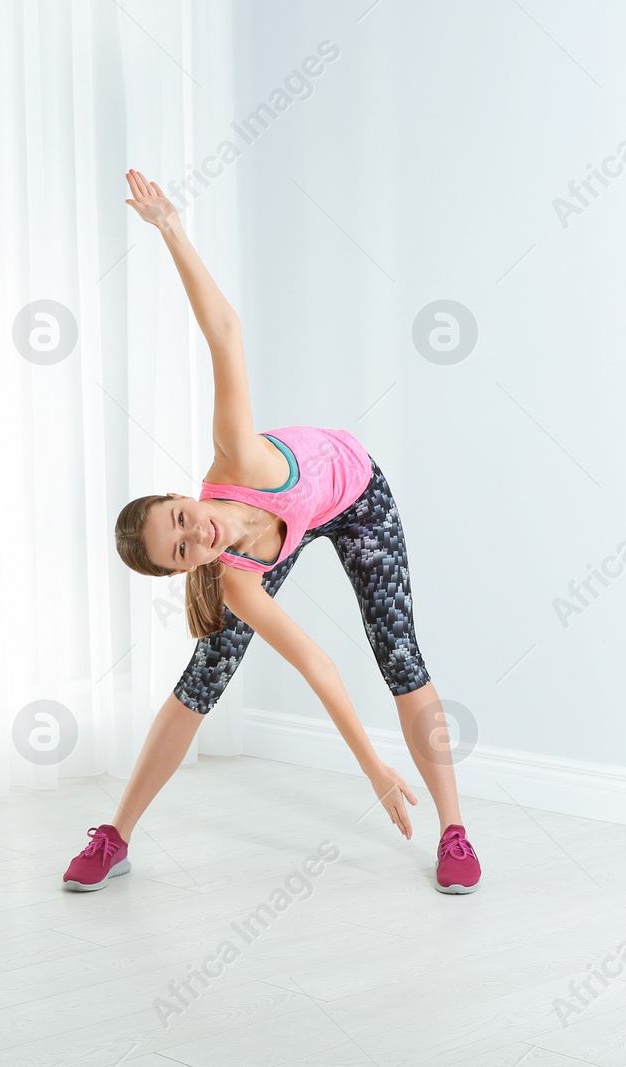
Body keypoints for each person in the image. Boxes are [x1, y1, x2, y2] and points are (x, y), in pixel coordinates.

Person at [62, 170, 480, 895]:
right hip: (282, 539)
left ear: (180, 495)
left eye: (183, 518)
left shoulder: (236, 454)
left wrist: (171, 230)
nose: (199, 533)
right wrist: (373, 770)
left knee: (400, 654)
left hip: (355, 497)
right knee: (205, 673)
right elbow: (318, 664)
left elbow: (225, 330)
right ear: (184, 568)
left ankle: (455, 829)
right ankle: (115, 835)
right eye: (185, 550)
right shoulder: (236, 577)